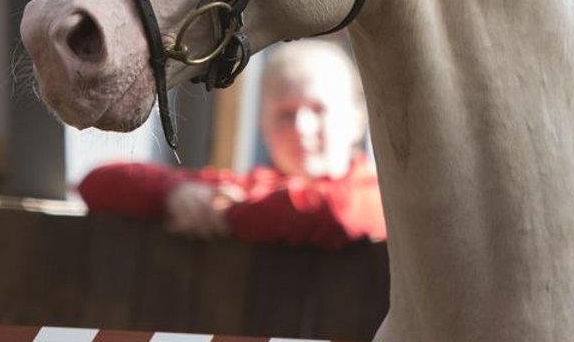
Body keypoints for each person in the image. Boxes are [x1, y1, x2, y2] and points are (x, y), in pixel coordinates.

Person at [77, 40, 385, 250]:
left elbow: (341, 213)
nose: (301, 128)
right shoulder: (246, 189)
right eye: (285, 114)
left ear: (357, 118)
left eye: (318, 110)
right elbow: (98, 182)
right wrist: (173, 193)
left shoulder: (379, 194)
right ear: (263, 125)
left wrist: (229, 216)